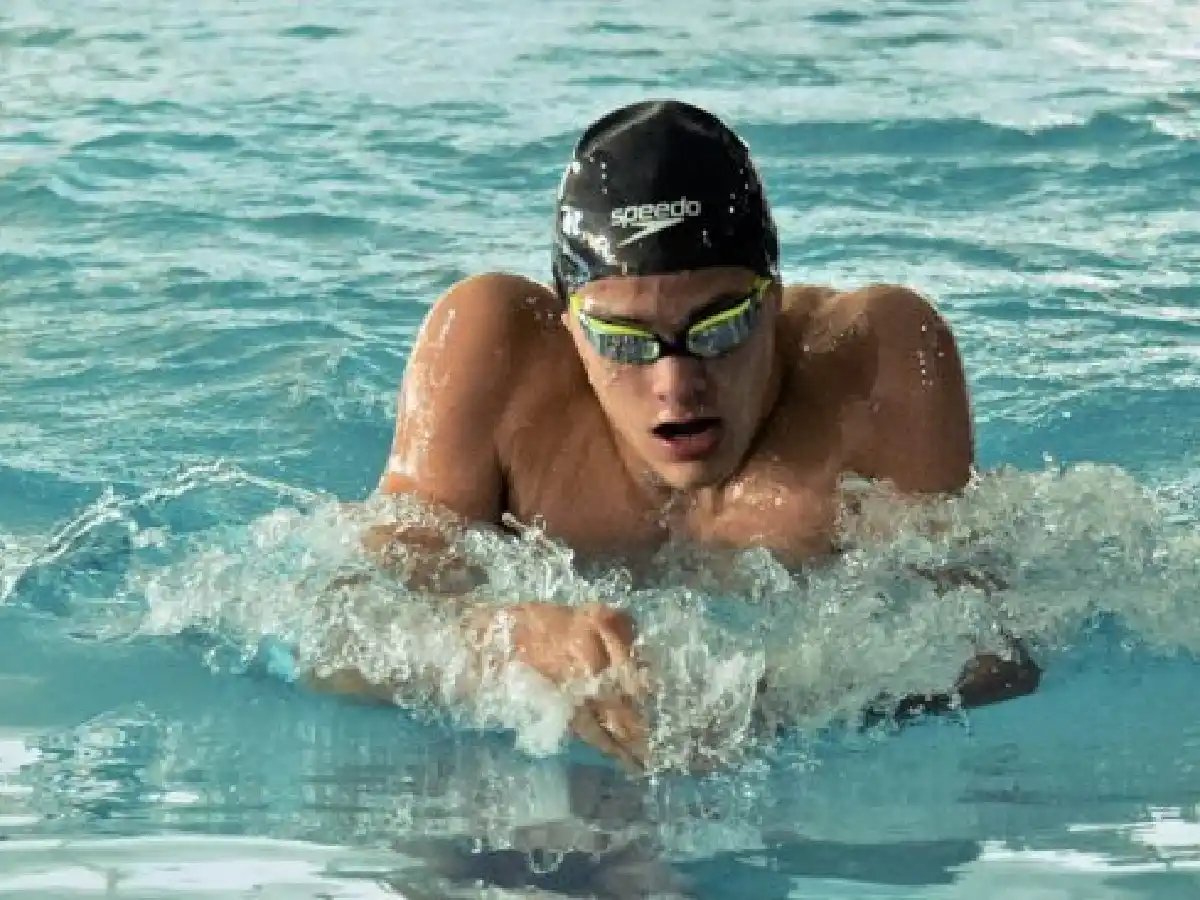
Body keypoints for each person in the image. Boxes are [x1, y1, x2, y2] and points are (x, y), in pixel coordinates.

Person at [310, 99, 1040, 770]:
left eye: (718, 327)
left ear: (774, 302)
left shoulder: (873, 364)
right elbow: (338, 632)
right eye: (623, 340)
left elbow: (991, 655)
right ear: (570, 329)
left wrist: (755, 700)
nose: (677, 383)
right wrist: (502, 646)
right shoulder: (489, 351)